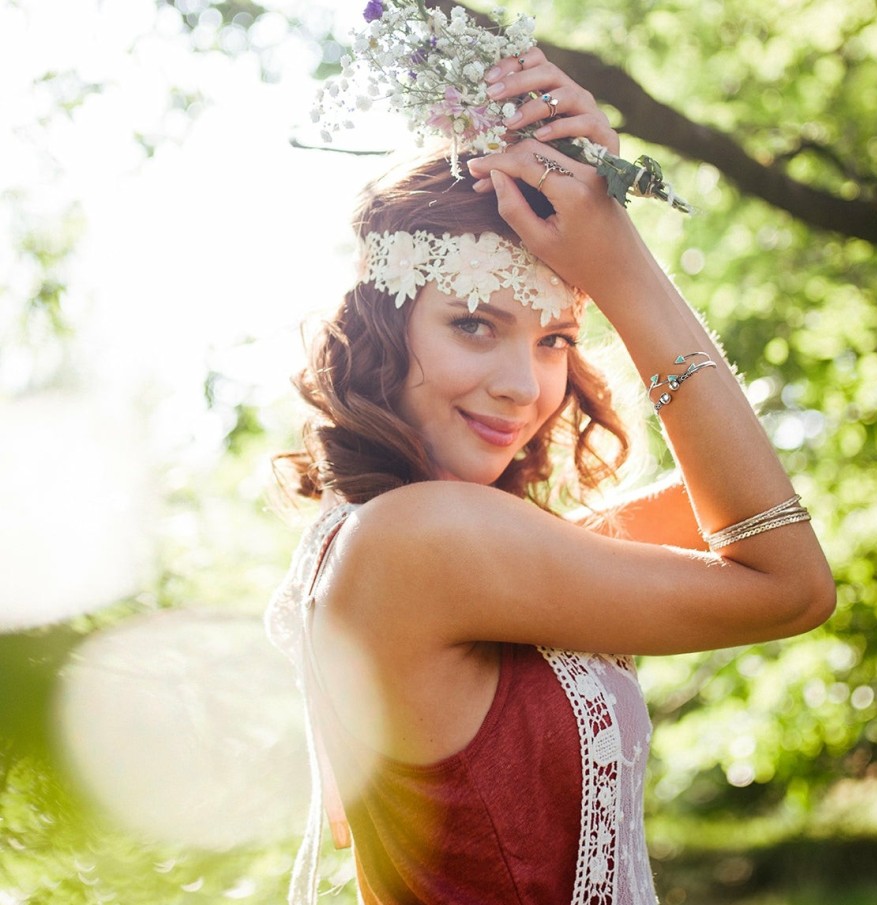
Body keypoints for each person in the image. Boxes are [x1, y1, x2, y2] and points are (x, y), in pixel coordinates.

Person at [266, 48, 835, 905]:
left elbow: (743, 508)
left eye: (555, 339)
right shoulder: (419, 539)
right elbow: (790, 581)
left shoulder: (426, 541)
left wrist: (596, 222)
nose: (524, 386)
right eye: (473, 323)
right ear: (387, 326)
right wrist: (623, 266)